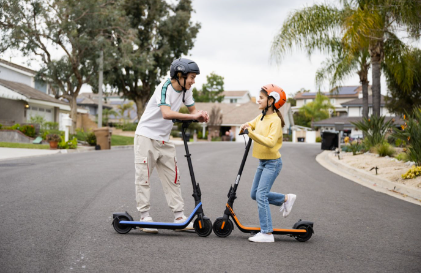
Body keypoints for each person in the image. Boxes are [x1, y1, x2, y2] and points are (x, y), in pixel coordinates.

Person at [134, 58, 209, 233]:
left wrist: (201, 115)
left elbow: (193, 112)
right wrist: (193, 117)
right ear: (180, 75)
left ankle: (179, 217)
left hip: (164, 139)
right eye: (191, 77)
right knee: (143, 177)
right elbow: (166, 113)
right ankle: (144, 216)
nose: (193, 81)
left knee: (173, 178)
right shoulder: (164, 87)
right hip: (146, 136)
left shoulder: (186, 91)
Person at [240, 84, 296, 243]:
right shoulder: (262, 116)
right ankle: (285, 199)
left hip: (273, 163)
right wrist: (246, 126)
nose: (258, 100)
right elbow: (252, 123)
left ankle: (267, 233)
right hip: (263, 162)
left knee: (261, 195)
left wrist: (251, 133)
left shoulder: (275, 120)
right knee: (254, 194)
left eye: (262, 98)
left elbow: (271, 142)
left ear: (271, 101)